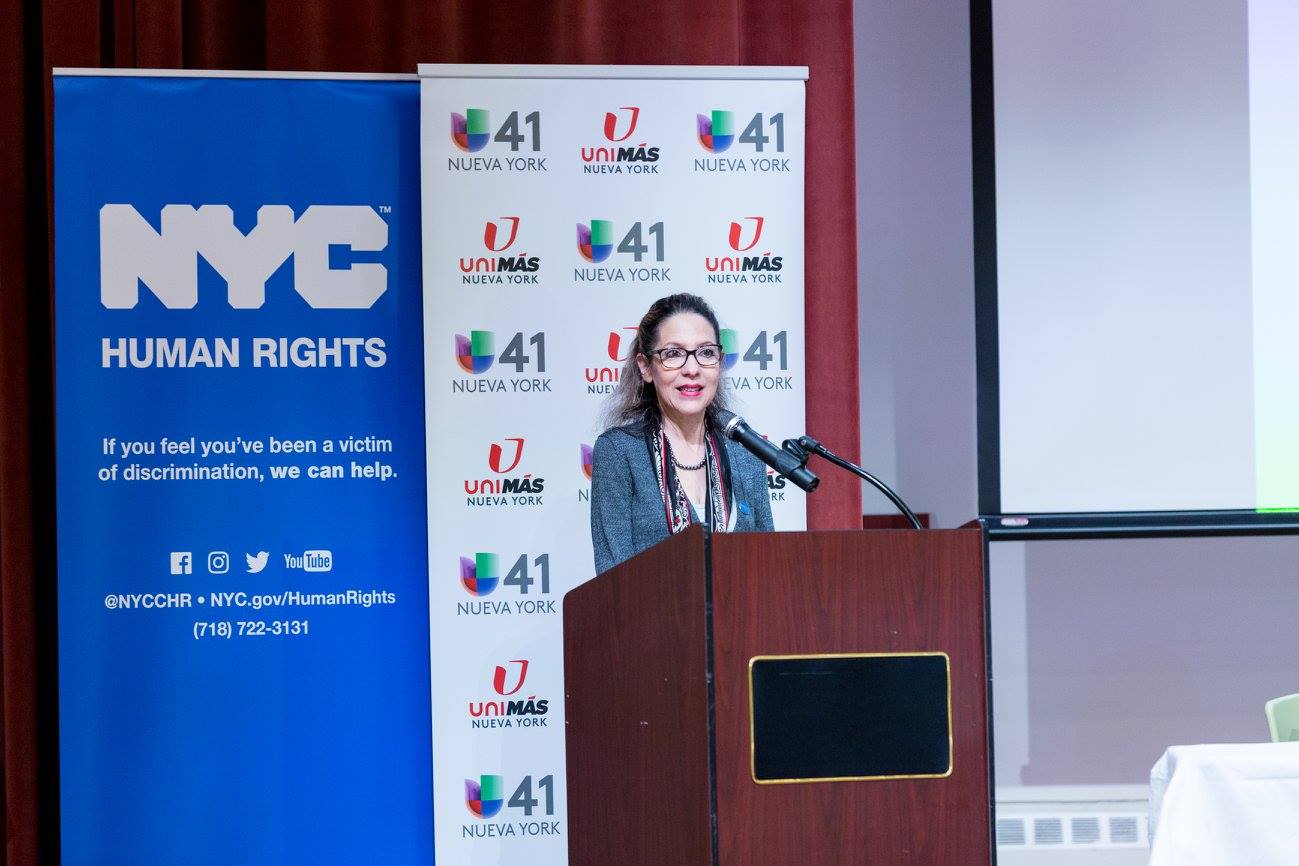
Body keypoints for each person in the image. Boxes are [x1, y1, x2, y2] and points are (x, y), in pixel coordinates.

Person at [590, 293, 774, 574]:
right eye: (673, 354)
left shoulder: (745, 451)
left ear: (720, 362)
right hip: (651, 616)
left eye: (706, 353)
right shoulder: (619, 452)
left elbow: (769, 568)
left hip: (738, 616)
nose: (692, 369)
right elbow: (612, 580)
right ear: (645, 367)